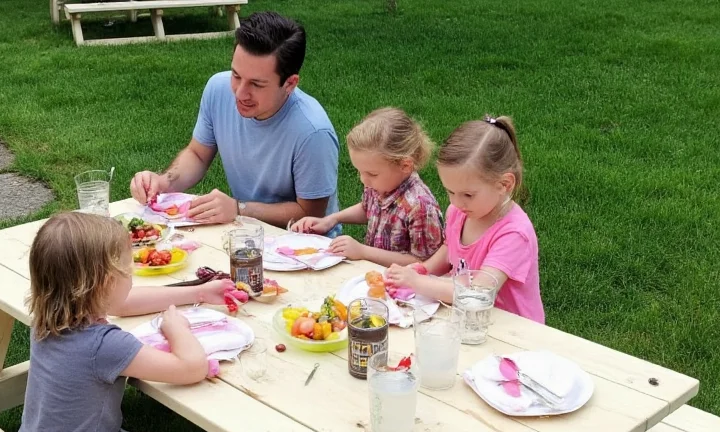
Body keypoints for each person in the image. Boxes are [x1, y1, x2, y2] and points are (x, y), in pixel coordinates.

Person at [15, 212, 235, 432]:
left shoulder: (49, 318)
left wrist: (196, 292)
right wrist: (176, 327)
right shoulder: (104, 346)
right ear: (102, 283)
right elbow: (191, 368)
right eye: (127, 269)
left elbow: (123, 303)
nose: (131, 276)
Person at [130, 11, 341, 235]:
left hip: (305, 248)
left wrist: (239, 209)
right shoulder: (217, 89)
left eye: (256, 84)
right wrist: (164, 183)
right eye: (236, 75)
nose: (240, 93)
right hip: (243, 232)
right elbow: (198, 155)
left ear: (290, 84)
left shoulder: (313, 131)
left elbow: (311, 213)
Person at [386, 115, 544, 323]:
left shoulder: (514, 234)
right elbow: (449, 249)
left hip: (511, 331)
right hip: (467, 320)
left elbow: (477, 294)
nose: (457, 202)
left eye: (468, 195)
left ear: (504, 184)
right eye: (450, 191)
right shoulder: (459, 212)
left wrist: (417, 282)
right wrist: (425, 268)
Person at [290, 107, 444, 267]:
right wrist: (331, 219)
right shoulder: (382, 184)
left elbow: (424, 263)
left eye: (372, 173)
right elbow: (367, 209)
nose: (364, 180)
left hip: (405, 287)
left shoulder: (420, 207)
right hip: (376, 279)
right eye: (360, 172)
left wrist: (363, 252)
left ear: (405, 165)